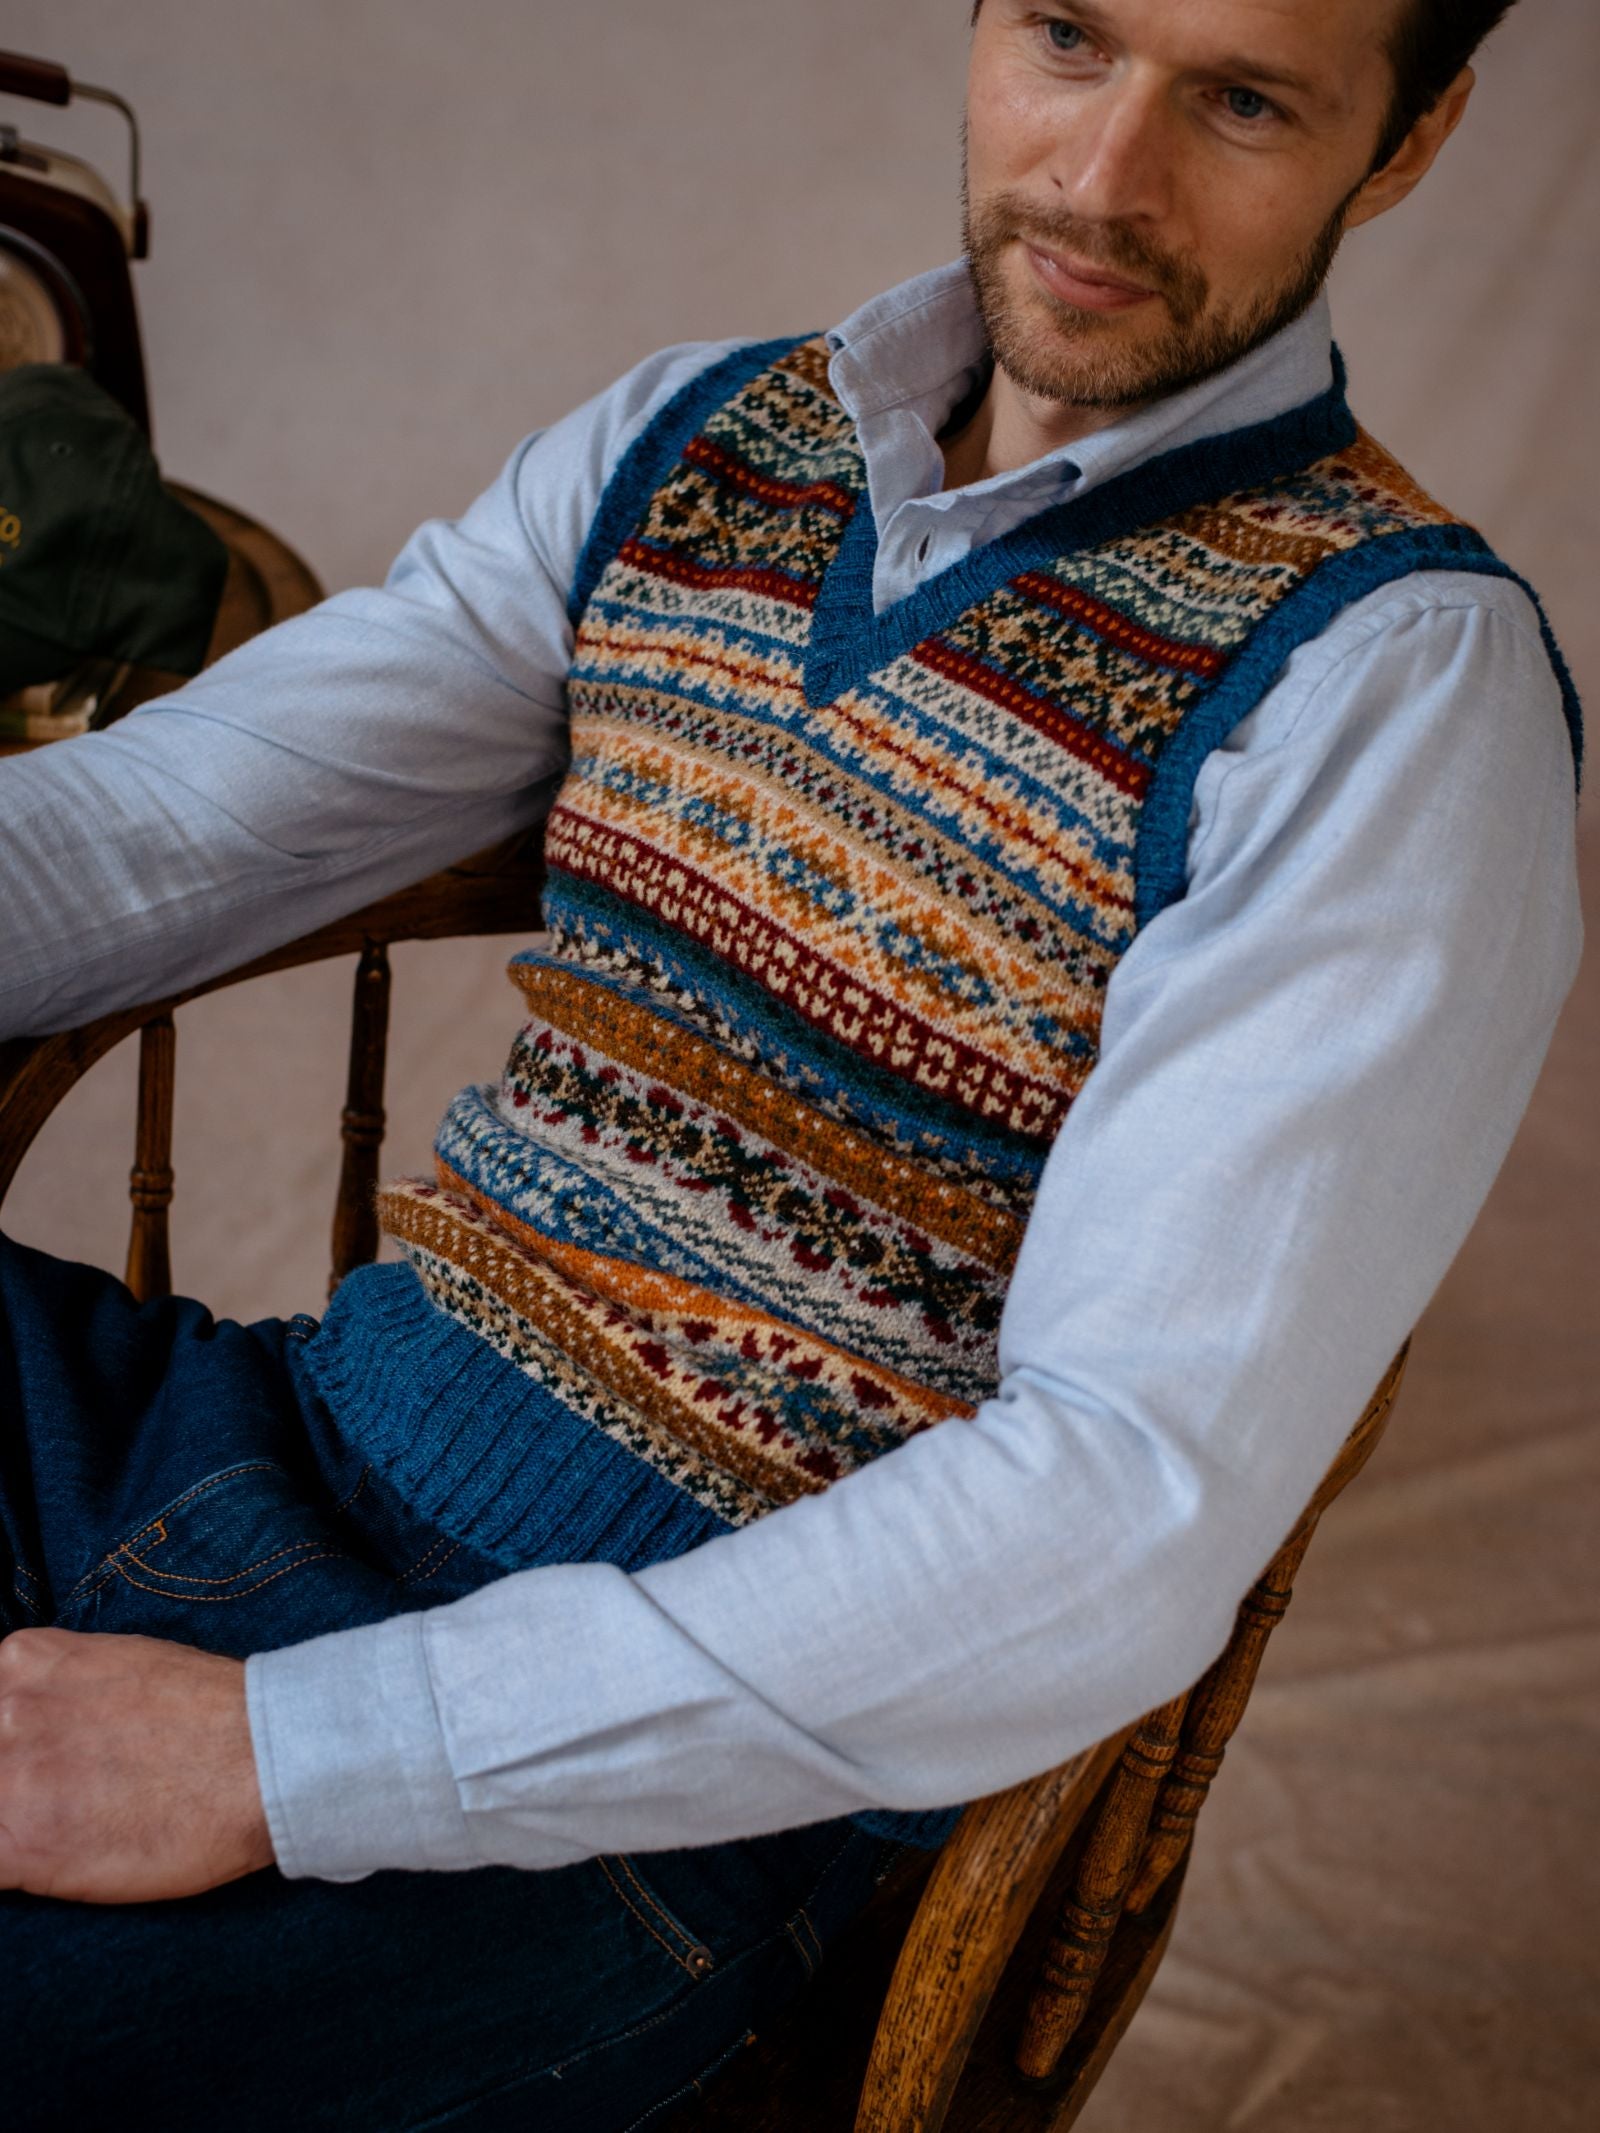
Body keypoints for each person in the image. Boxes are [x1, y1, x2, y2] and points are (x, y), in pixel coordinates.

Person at [0, 1, 1583, 2126]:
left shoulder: (1387, 684)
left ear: (1402, 140)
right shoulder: (701, 440)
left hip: (657, 1800)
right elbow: (178, 825)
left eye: (1237, 99)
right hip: (271, 1446)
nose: (1100, 177)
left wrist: (279, 1758)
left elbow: (1115, 1502)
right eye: (1067, 37)